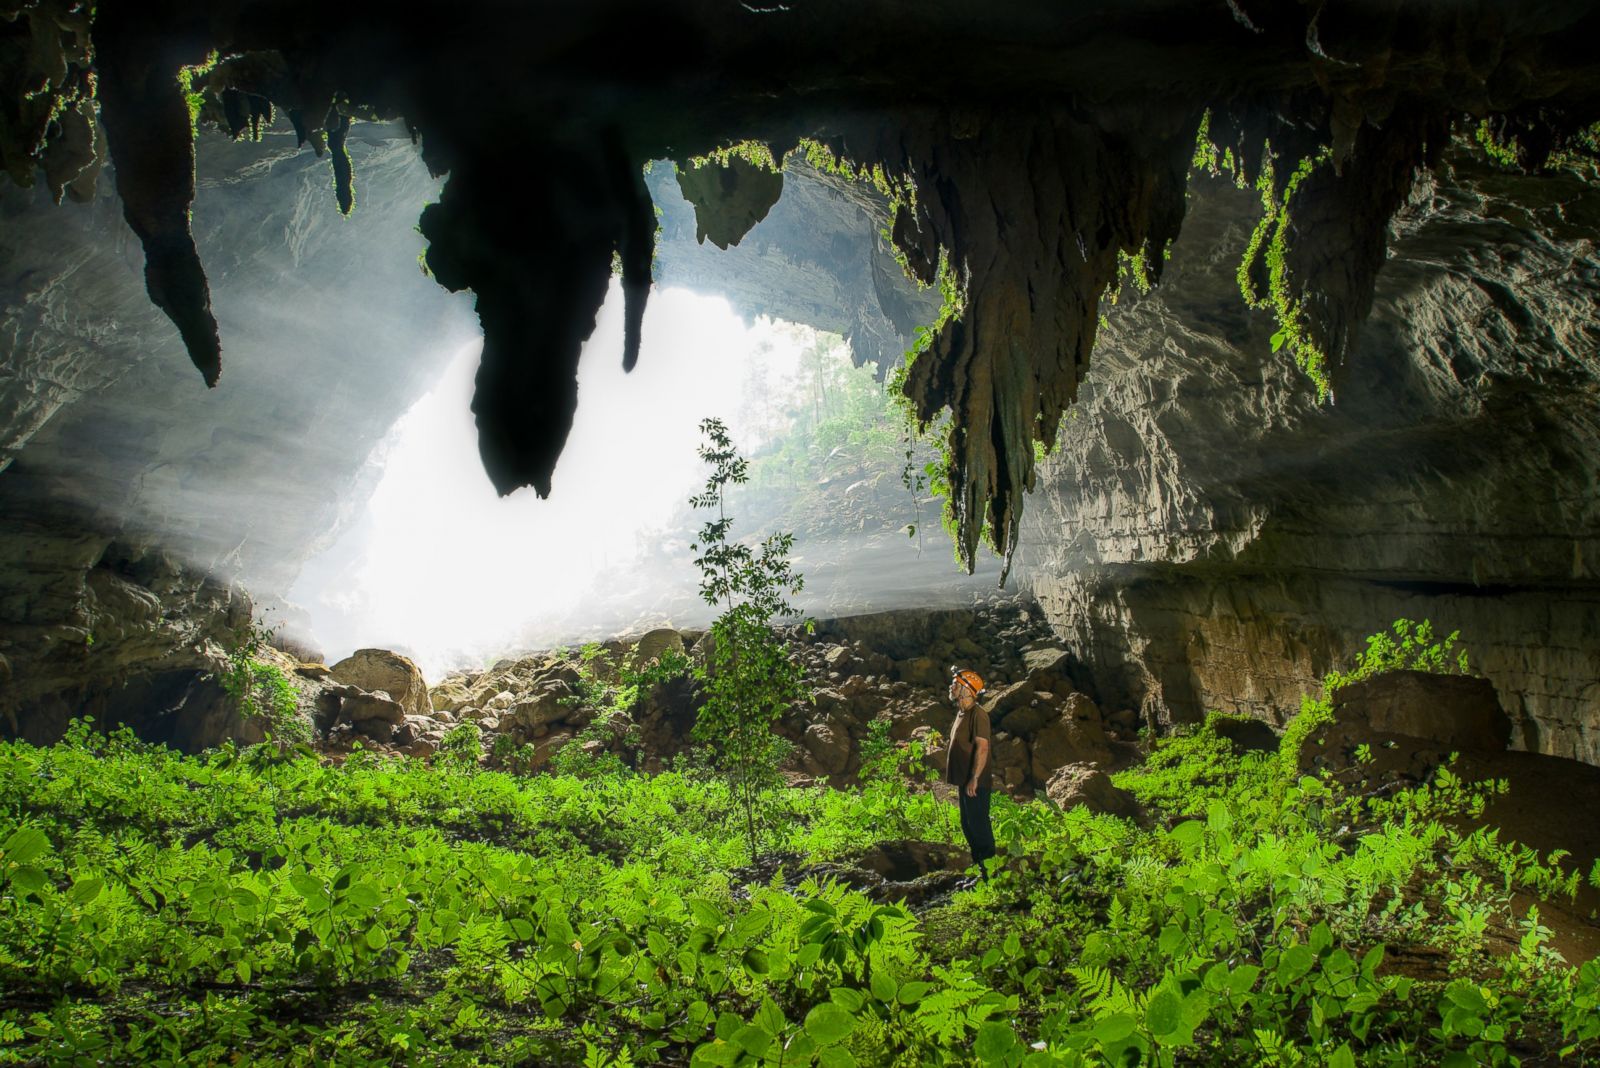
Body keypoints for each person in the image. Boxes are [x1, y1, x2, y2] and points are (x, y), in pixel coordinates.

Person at [946, 666, 995, 882]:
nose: (952, 686)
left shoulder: (979, 715)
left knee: (978, 825)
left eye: (955, 683)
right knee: (968, 825)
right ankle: (980, 871)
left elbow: (982, 747)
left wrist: (975, 777)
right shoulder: (962, 712)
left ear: (966, 690)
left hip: (976, 782)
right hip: (964, 780)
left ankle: (990, 874)